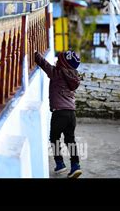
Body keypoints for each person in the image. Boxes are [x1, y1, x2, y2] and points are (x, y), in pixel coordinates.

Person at [35, 50, 82, 178]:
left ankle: (60, 164)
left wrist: (36, 54)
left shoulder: (57, 73)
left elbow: (44, 65)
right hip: (72, 114)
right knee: (70, 139)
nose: (56, 62)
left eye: (59, 60)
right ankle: (75, 166)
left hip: (59, 113)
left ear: (63, 63)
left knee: (54, 138)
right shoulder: (74, 76)